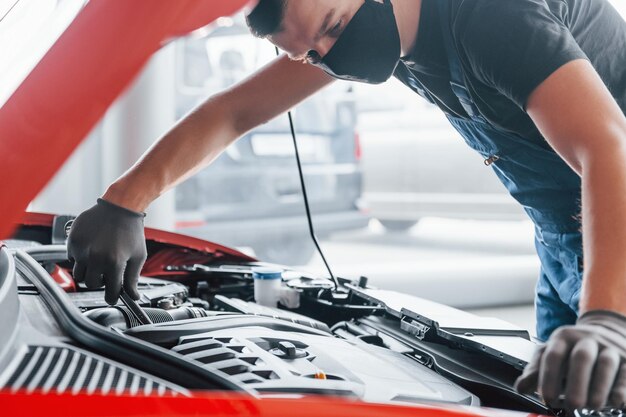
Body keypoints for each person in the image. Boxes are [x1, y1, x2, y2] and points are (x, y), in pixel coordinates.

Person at [67, 0, 626, 410]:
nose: (331, 56)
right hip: (564, 239)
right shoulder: (371, 28)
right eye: (310, 54)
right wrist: (124, 202)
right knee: (561, 401)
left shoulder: (491, 15)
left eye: (334, 28)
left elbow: (606, 146)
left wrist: (606, 319)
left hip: (613, 226)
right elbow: (234, 112)